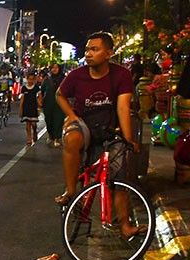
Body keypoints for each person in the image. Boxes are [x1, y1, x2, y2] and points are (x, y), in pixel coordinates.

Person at [54, 31, 142, 239]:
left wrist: (129, 139)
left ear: (108, 53)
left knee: (119, 175)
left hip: (110, 128)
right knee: (71, 139)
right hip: (84, 124)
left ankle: (125, 225)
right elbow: (60, 94)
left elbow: (122, 108)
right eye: (87, 50)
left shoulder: (121, 75)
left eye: (95, 49)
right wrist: (72, 116)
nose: (89, 54)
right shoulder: (77, 75)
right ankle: (70, 191)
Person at [41, 63, 66, 147]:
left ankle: (56, 139)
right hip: (48, 103)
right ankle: (50, 135)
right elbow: (42, 90)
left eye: (56, 67)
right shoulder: (47, 79)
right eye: (53, 68)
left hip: (59, 104)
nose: (54, 69)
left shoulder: (63, 79)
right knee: (48, 120)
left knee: (58, 120)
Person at [19, 71, 42, 146]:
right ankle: (29, 138)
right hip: (26, 107)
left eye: (32, 79)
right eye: (29, 79)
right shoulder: (24, 88)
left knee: (33, 123)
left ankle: (35, 132)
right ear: (27, 79)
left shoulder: (36, 88)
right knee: (27, 123)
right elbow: (22, 99)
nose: (31, 81)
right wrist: (20, 109)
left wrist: (39, 108)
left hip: (33, 107)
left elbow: (39, 98)